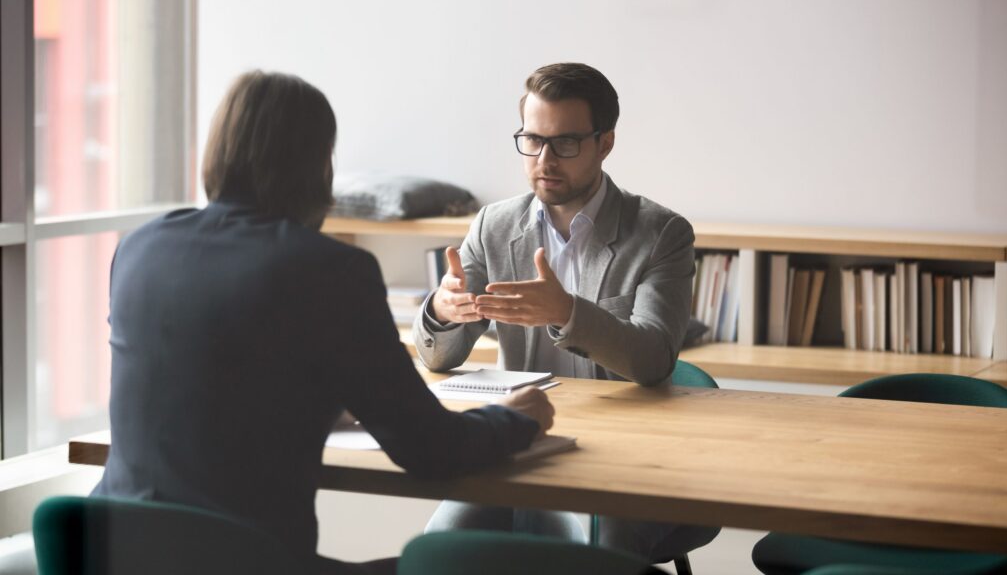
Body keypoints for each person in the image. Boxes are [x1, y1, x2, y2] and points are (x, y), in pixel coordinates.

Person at [92, 71, 555, 575]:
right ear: (317, 165)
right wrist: (517, 418)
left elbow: (202, 375)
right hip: (247, 562)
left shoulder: (139, 247)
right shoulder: (330, 269)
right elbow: (431, 450)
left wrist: (312, 400)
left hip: (110, 551)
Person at [413, 62, 718, 563]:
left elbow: (653, 359)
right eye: (533, 140)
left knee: (592, 551)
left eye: (566, 143)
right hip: (524, 443)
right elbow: (439, 358)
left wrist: (568, 312)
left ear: (605, 143)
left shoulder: (661, 234)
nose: (545, 160)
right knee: (440, 550)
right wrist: (443, 312)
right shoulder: (494, 225)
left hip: (631, 456)